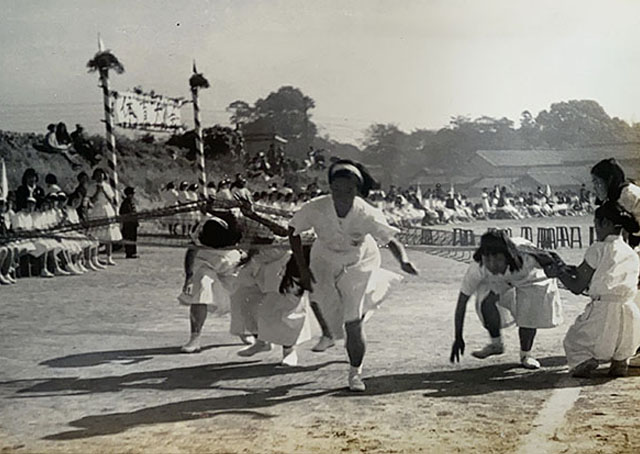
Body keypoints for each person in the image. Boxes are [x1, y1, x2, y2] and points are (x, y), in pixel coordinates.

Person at [288, 159, 418, 391]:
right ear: (330, 188)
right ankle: (337, 329)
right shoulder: (316, 207)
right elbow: (293, 230)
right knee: (329, 312)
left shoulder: (367, 213)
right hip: (323, 260)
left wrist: (404, 261)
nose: (342, 195)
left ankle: (355, 373)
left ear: (357, 190)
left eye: (348, 190)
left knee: (352, 322)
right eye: (336, 189)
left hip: (360, 261)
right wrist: (302, 268)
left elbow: (391, 240)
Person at [544, 201, 640, 377]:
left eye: (596, 224)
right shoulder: (631, 252)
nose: (595, 229)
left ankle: (585, 361)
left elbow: (577, 285)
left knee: (574, 340)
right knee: (623, 344)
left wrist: (558, 273)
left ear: (606, 224)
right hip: (630, 314)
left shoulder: (598, 248)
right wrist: (565, 268)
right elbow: (596, 273)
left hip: (603, 312)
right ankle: (620, 362)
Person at [450, 231, 563, 369]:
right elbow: (462, 303)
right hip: (504, 279)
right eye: (488, 259)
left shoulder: (528, 258)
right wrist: (458, 337)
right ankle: (496, 344)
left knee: (528, 313)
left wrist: (556, 270)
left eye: (497, 259)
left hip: (529, 278)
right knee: (486, 301)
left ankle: (525, 354)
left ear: (508, 256)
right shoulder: (477, 268)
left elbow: (552, 259)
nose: (492, 265)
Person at [591, 158, 640, 248]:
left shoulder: (629, 196)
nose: (594, 188)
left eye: (597, 182)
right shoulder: (617, 196)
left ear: (609, 180)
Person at [89, 168, 122, 265]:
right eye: (98, 175)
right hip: (97, 209)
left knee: (109, 235)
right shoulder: (92, 187)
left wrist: (103, 191)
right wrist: (97, 191)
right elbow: (92, 200)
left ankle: (109, 257)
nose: (100, 177)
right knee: (95, 235)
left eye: (101, 174)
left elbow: (111, 200)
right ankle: (95, 257)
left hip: (107, 209)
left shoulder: (107, 186)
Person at [119, 186, 139, 259]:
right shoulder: (125, 203)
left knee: (133, 238)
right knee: (129, 238)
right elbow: (123, 213)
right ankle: (129, 253)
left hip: (133, 223)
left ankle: (133, 252)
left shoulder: (130, 201)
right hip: (128, 224)